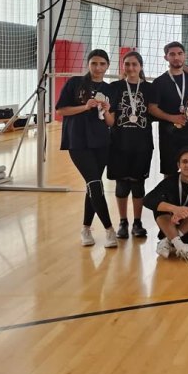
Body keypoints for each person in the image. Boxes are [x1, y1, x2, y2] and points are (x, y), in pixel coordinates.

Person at [56, 49, 117, 248]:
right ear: (88, 64)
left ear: (107, 66)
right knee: (94, 183)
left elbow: (111, 122)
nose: (98, 68)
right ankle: (109, 230)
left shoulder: (109, 89)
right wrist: (85, 107)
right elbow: (61, 110)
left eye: (102, 64)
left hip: (101, 142)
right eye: (94, 63)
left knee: (93, 185)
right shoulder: (75, 83)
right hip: (78, 141)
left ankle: (85, 228)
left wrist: (106, 110)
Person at [143, 146, 188, 262]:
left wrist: (186, 211)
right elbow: (148, 199)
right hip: (172, 224)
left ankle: (168, 241)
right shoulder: (170, 181)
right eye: (184, 161)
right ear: (179, 165)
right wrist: (174, 209)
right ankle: (180, 245)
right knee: (158, 207)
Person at [107, 51, 153, 239]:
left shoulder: (149, 88)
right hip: (119, 143)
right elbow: (110, 118)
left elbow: (155, 112)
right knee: (122, 185)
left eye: (134, 64)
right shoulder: (115, 87)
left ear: (140, 66)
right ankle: (123, 222)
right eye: (127, 64)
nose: (131, 68)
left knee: (138, 184)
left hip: (142, 145)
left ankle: (137, 222)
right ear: (123, 66)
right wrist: (103, 112)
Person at [148, 42, 188, 177]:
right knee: (169, 173)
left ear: (185, 56)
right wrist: (172, 118)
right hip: (169, 134)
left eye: (180, 54)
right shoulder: (159, 82)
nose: (176, 57)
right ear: (166, 57)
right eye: (172, 54)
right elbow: (152, 108)